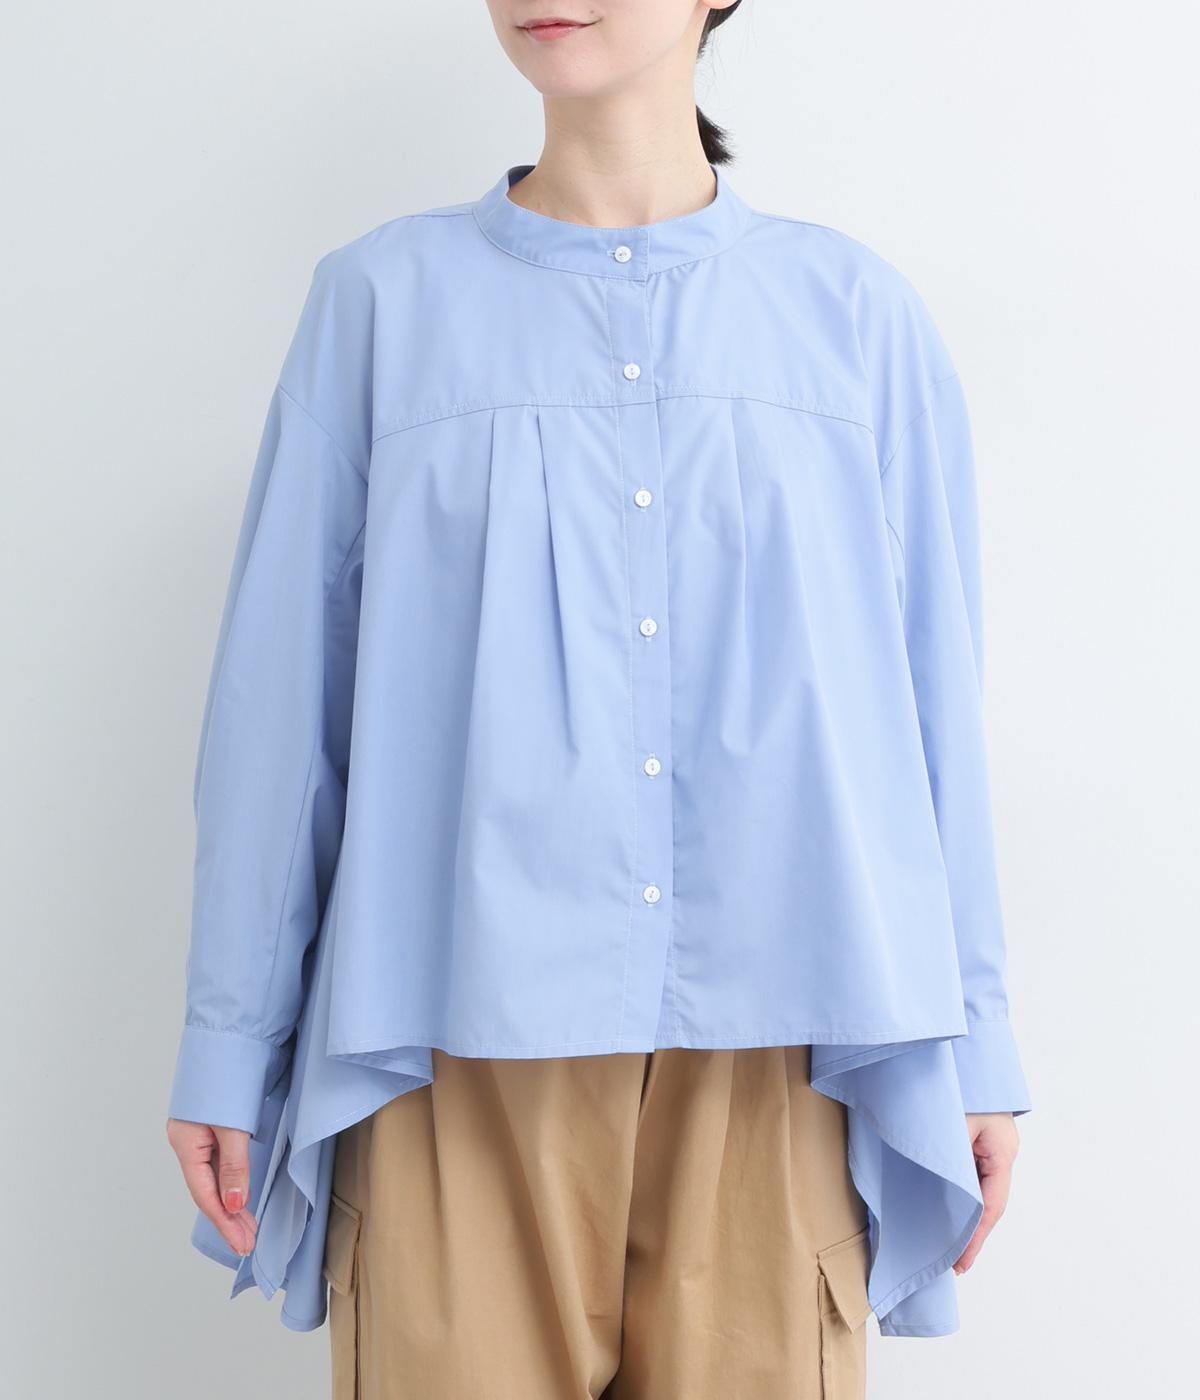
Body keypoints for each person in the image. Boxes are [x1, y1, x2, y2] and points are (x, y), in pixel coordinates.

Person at [165, 3, 1032, 1396]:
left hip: (782, 1047)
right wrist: (230, 1042)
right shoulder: (379, 306)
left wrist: (972, 1042)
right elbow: (281, 716)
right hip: (448, 1037)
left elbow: (934, 713)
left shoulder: (856, 320)